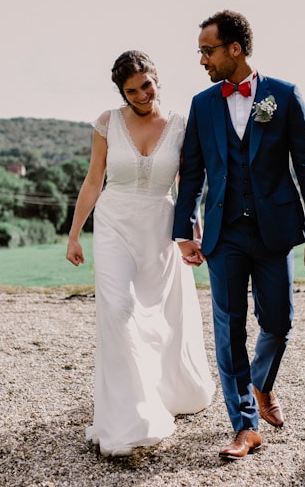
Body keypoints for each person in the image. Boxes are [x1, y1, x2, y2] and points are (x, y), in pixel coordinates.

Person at [172, 10, 305, 460]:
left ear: (235, 49)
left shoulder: (283, 96)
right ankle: (245, 425)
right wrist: (184, 229)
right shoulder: (203, 104)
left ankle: (261, 382)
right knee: (228, 329)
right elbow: (192, 171)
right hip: (223, 234)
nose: (202, 60)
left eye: (208, 50)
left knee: (279, 322)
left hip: (274, 231)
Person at [66, 50, 215, 457]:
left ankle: (164, 389)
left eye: (146, 85)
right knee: (118, 310)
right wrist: (74, 234)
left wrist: (191, 232)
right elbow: (94, 180)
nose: (141, 95)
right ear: (122, 93)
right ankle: (131, 416)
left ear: (156, 79)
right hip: (114, 224)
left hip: (160, 228)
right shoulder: (106, 123)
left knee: (161, 317)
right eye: (131, 91)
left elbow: (188, 185)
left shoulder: (181, 126)